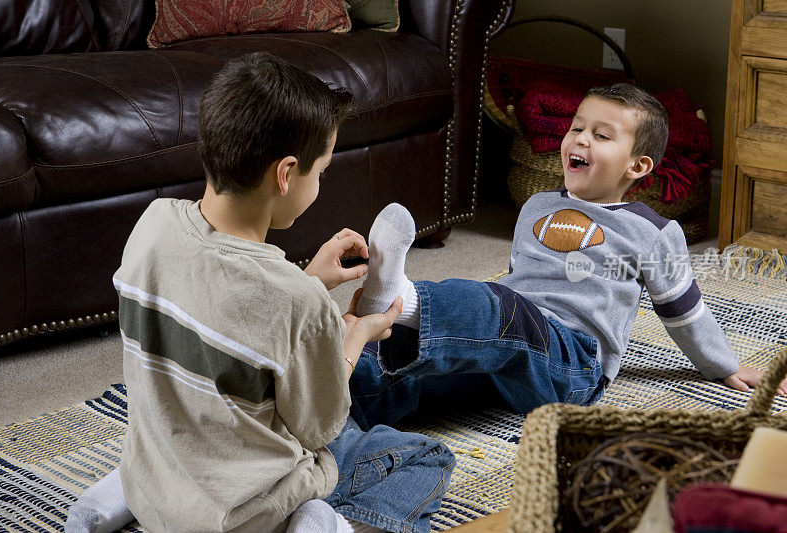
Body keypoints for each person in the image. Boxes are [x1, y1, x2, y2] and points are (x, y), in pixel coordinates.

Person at [65, 52, 455, 533]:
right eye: (322, 171)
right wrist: (352, 338)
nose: (320, 182)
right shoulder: (295, 301)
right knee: (424, 457)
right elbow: (318, 427)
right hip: (243, 513)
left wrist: (307, 281)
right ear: (286, 173)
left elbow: (220, 304)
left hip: (166, 471)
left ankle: (131, 493)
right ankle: (325, 526)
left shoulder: (152, 225)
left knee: (182, 422)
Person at [347, 83, 787, 431]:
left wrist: (724, 365)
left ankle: (397, 298)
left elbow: (684, 311)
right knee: (421, 368)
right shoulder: (537, 205)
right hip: (510, 357)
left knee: (496, 306)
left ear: (637, 167)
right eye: (577, 127)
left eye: (601, 135)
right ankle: (337, 403)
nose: (580, 138)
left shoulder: (653, 231)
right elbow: (523, 278)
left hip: (573, 365)